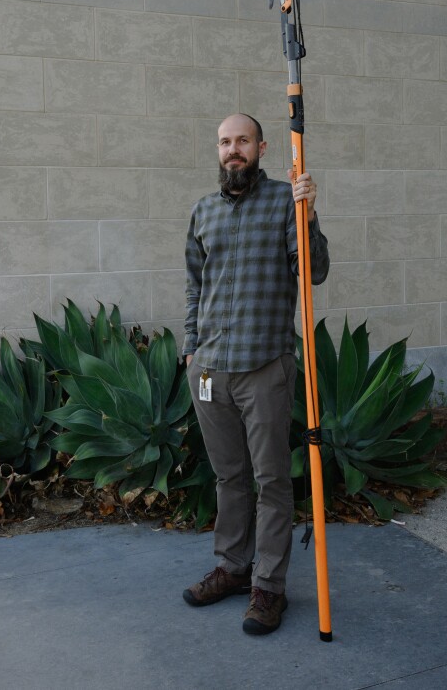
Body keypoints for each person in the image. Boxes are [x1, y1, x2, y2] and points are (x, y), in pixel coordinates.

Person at [181, 112, 330, 636]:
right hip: (210, 371)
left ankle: (269, 586)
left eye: (242, 140)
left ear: (262, 148)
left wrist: (308, 214)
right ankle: (233, 567)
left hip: (264, 365)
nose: (233, 150)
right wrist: (190, 352)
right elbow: (195, 288)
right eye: (224, 142)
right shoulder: (201, 212)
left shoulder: (286, 202)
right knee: (229, 477)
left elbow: (312, 270)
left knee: (271, 481)